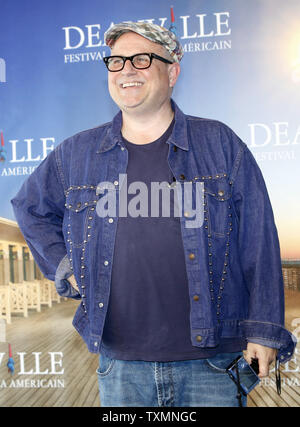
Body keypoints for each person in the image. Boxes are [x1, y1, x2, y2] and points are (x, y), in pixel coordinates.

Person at [11, 21, 295, 407]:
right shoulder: (75, 155)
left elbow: (258, 242)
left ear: (172, 71)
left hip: (211, 363)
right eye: (115, 61)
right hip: (122, 367)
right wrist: (68, 268)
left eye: (142, 59)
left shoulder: (220, 144)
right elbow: (29, 209)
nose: (126, 70)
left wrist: (264, 330)